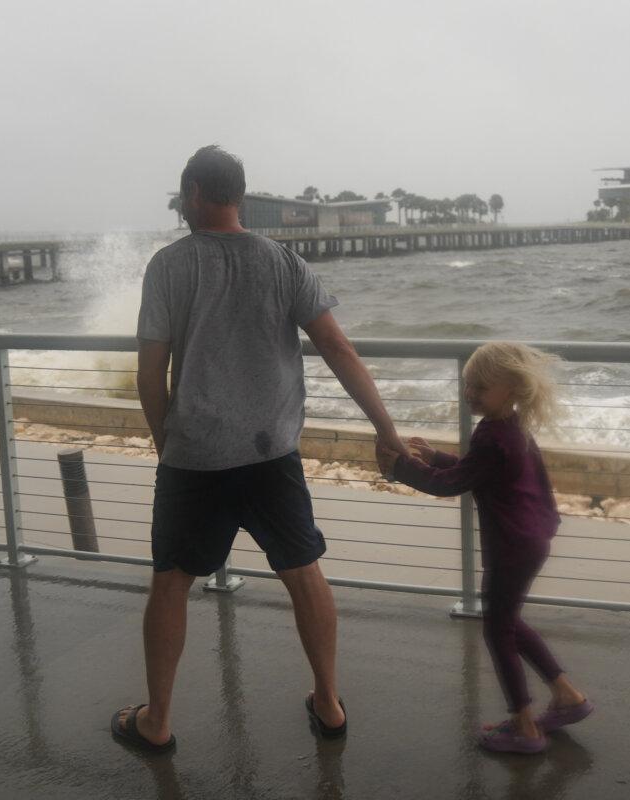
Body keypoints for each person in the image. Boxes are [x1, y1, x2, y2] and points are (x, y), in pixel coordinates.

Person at [112, 145, 407, 753]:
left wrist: (167, 439)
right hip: (272, 451)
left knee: (171, 582)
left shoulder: (168, 266)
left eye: (182, 194)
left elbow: (150, 373)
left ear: (195, 192)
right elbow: (338, 348)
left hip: (194, 457)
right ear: (239, 194)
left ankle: (157, 721)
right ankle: (327, 704)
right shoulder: (283, 261)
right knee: (304, 574)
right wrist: (387, 431)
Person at [376, 342, 593, 754]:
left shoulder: (492, 436)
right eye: (467, 385)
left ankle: (525, 727)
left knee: (497, 629)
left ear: (511, 387)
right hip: (531, 538)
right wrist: (437, 456)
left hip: (511, 543)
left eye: (479, 386)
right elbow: (479, 470)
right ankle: (567, 696)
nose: (469, 393)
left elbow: (452, 484)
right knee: (508, 620)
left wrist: (402, 466)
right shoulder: (511, 428)